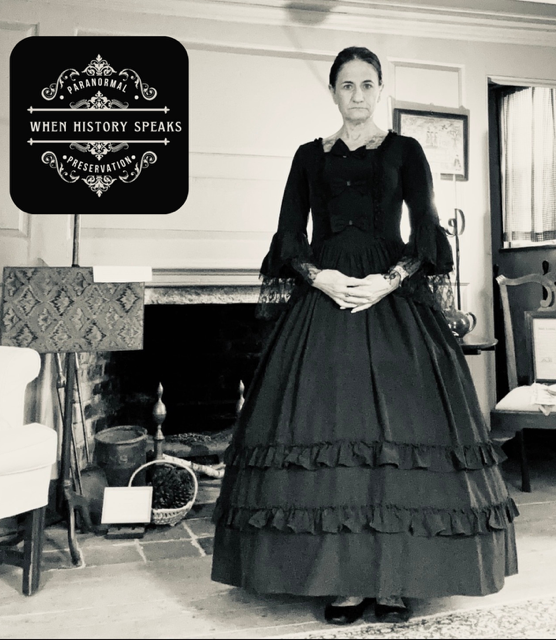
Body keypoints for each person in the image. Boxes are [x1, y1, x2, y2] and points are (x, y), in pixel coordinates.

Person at [211, 46, 518, 625]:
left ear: (380, 90)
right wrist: (319, 277)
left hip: (391, 294)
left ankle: (396, 579)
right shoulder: (308, 156)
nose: (357, 94)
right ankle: (344, 582)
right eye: (346, 85)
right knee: (331, 425)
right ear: (332, 92)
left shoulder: (406, 150)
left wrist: (388, 281)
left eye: (367, 84)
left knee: (401, 432)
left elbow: (425, 228)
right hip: (324, 297)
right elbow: (289, 232)